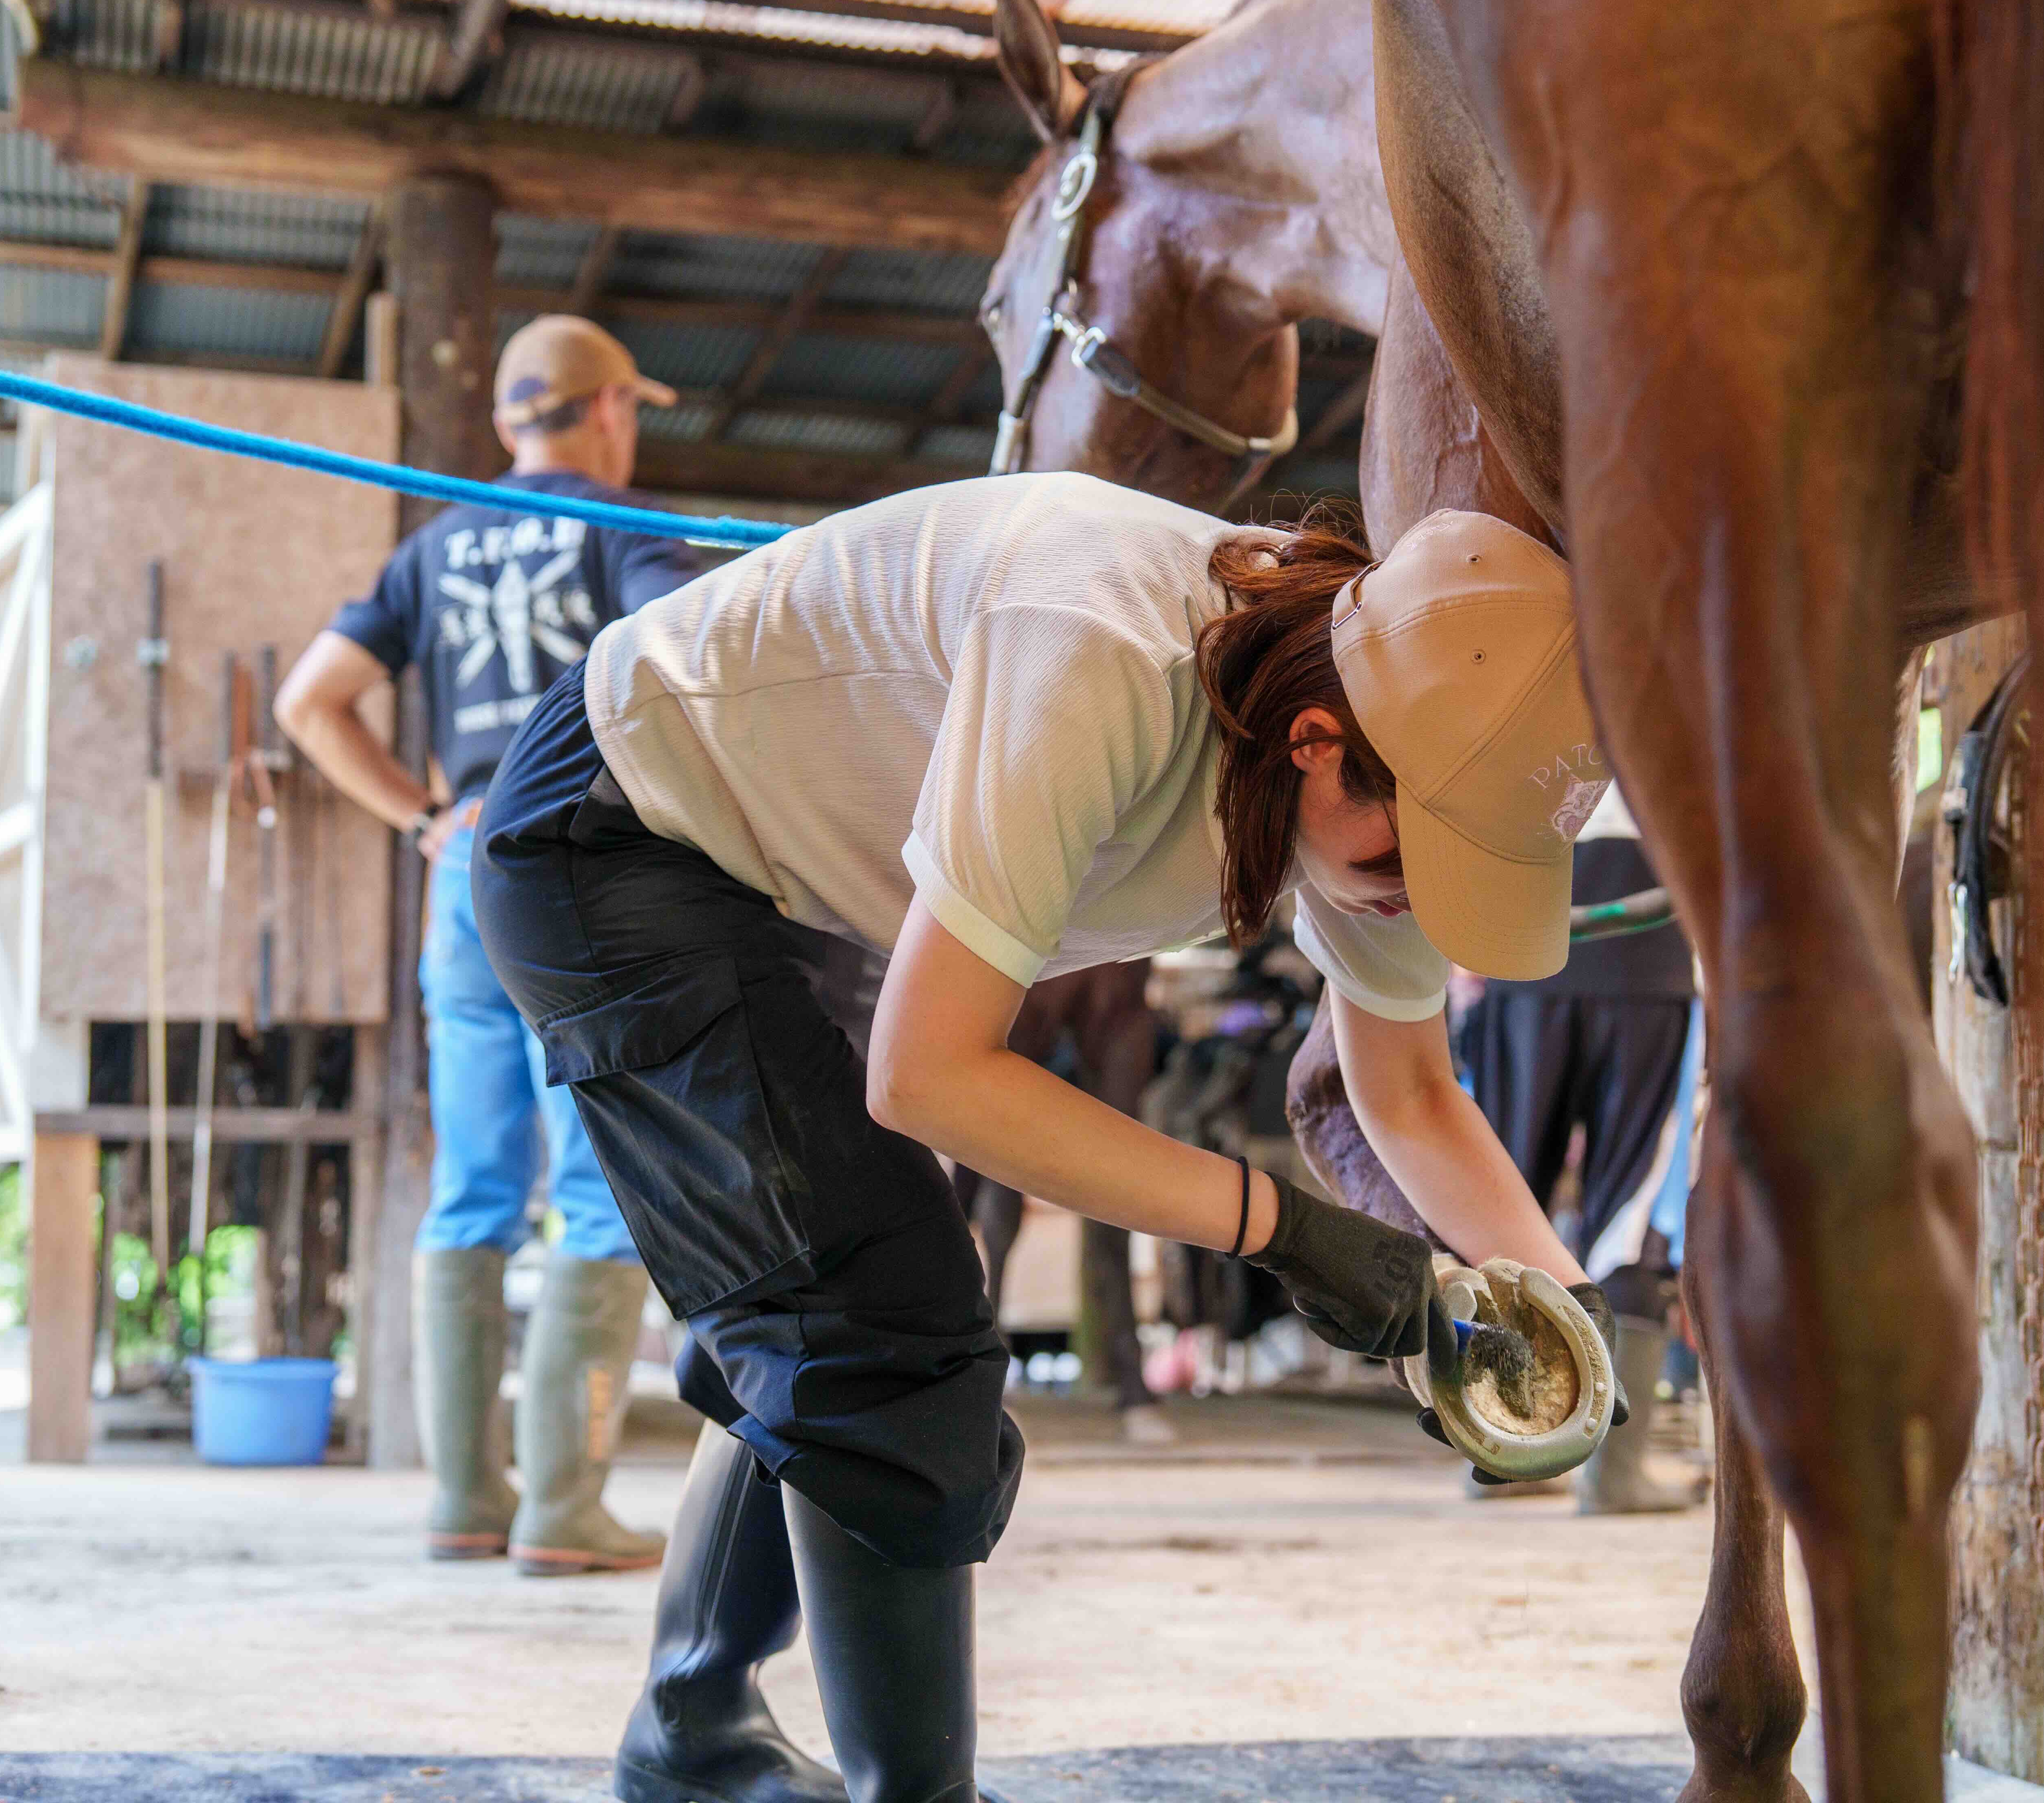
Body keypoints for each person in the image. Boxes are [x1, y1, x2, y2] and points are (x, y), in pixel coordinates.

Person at [468, 475, 1625, 1803]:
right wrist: (1287, 1230)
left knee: (828, 1291)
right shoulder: (1097, 645)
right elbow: (933, 1075)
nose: (1412, 898)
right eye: (1411, 859)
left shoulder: (1394, 771)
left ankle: (688, 1735)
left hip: (786, 877)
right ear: (1315, 741)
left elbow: (1409, 1095)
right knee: (881, 1307)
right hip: (614, 830)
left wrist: (1564, 1317)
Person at [274, 314, 701, 1574]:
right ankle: (564, 1510)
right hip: (580, 867)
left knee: (473, 1184)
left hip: (463, 867)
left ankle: (465, 1499)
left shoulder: (434, 539)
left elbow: (312, 702)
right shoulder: (625, 529)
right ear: (613, 410)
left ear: (513, 422)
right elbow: (678, 664)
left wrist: (418, 813)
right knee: (600, 1190)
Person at [1454, 786, 1703, 1514]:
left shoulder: (1505, 673)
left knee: (1500, 1194)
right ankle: (1614, 1473)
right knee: (1631, 1205)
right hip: (1649, 945)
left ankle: (1505, 1454)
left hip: (1524, 931)